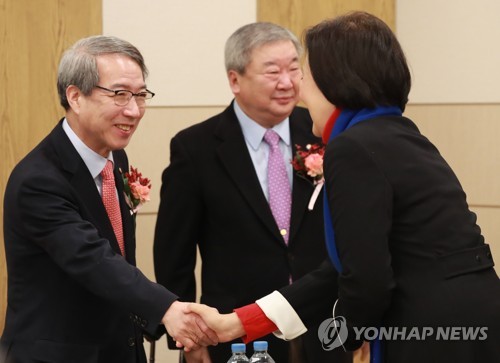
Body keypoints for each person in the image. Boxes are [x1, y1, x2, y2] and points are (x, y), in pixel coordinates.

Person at [188, 11, 500, 363]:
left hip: (430, 330)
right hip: (467, 322)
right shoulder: (399, 133)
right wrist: (239, 323)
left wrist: (349, 333)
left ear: (333, 82)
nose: (299, 90)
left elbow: (366, 279)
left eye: (303, 75)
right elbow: (347, 268)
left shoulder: (353, 147)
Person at [0, 35, 218, 363]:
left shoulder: (116, 160)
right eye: (119, 95)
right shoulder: (38, 181)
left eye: (140, 96)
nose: (133, 110)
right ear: (75, 96)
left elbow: (119, 260)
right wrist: (168, 310)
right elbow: (93, 259)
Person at [153, 22, 350, 363]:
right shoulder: (195, 148)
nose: (288, 83)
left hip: (324, 329)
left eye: (294, 69)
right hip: (235, 336)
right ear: (235, 80)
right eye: (273, 71)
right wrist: (188, 338)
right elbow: (174, 256)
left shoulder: (324, 134)